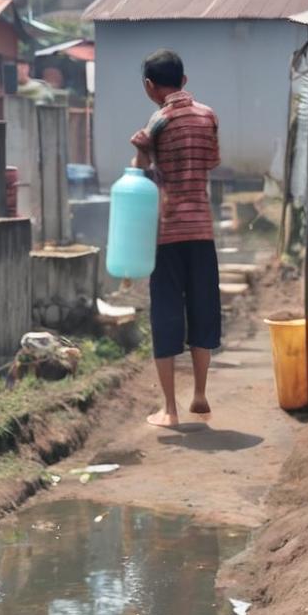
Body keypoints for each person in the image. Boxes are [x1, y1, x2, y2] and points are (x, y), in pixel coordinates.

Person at [130, 48, 222, 429]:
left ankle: (169, 409)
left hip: (167, 233)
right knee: (203, 307)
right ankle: (200, 394)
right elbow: (211, 163)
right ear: (183, 81)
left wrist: (140, 150)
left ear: (150, 86)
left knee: (166, 313)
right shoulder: (209, 116)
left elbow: (143, 175)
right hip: (202, 230)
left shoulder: (158, 122)